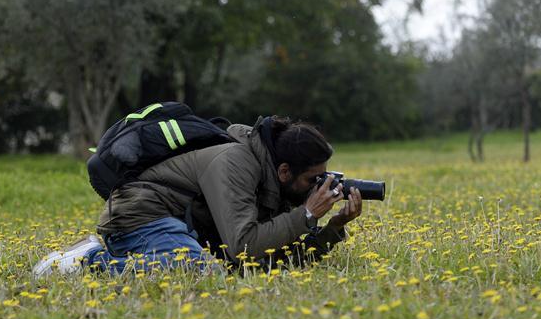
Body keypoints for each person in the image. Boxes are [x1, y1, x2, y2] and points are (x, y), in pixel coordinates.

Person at [32, 115, 362, 277]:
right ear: (285, 171)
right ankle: (85, 261)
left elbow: (266, 261)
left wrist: (332, 229)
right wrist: (305, 215)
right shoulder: (236, 162)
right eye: (311, 179)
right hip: (141, 213)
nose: (318, 185)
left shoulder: (271, 180)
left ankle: (98, 255)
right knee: (195, 269)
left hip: (176, 224)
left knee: (214, 269)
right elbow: (244, 247)